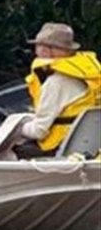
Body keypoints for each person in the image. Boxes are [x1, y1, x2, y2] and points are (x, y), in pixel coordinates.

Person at [11, 23, 101, 159]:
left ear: (47, 50)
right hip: (88, 148)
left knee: (11, 148)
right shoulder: (88, 76)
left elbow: (39, 132)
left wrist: (15, 128)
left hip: (58, 148)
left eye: (37, 46)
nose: (36, 51)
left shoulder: (56, 83)